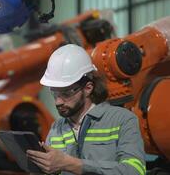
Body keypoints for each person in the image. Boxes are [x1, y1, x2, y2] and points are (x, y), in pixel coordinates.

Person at [26, 44, 146, 175]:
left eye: (66, 93)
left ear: (88, 88)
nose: (58, 101)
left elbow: (135, 171)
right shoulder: (57, 128)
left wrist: (71, 164)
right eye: (55, 93)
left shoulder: (122, 120)